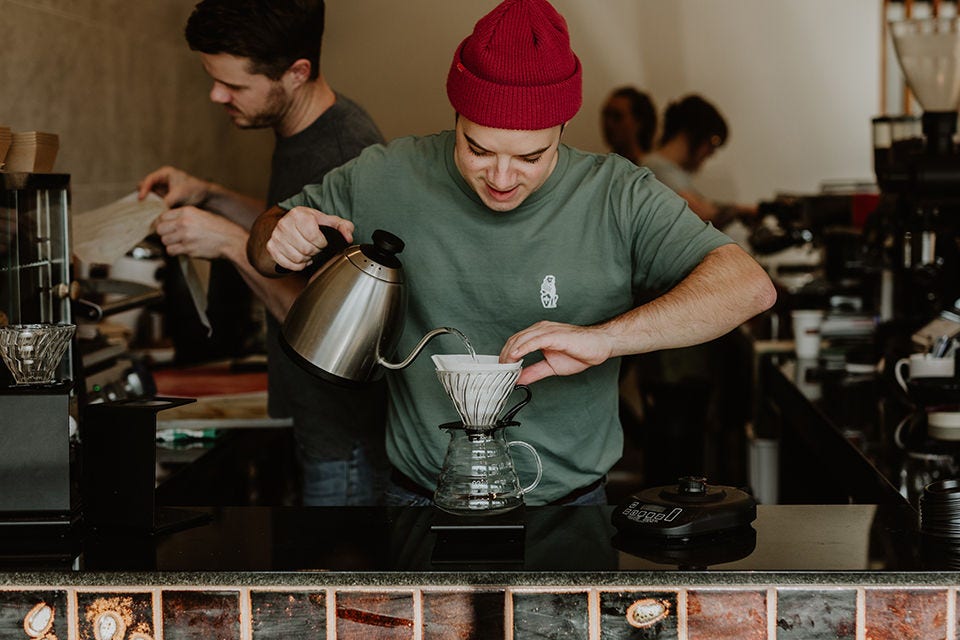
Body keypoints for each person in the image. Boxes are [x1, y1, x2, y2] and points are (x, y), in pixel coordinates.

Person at [248, 0, 776, 506]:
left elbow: (749, 287)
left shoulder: (617, 193)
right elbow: (263, 244)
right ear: (456, 114)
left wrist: (607, 339)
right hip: (418, 496)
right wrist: (280, 234)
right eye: (477, 149)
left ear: (563, 130)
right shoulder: (386, 174)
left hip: (571, 504)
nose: (501, 179)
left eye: (530, 156)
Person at [137, 0, 389, 506]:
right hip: (320, 427)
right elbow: (292, 225)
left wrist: (228, 242)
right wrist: (209, 193)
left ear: (297, 73)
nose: (216, 95)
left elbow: (333, 330)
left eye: (234, 85)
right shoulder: (305, 132)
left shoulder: (342, 151)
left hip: (345, 442)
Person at [643, 94, 756, 227]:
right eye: (713, 142)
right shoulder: (654, 167)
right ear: (694, 133)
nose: (712, 153)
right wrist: (742, 210)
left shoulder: (670, 171)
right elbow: (699, 212)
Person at [600, 86, 657, 165]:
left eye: (617, 116)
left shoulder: (652, 171)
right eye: (606, 115)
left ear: (639, 122)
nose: (608, 124)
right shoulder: (600, 168)